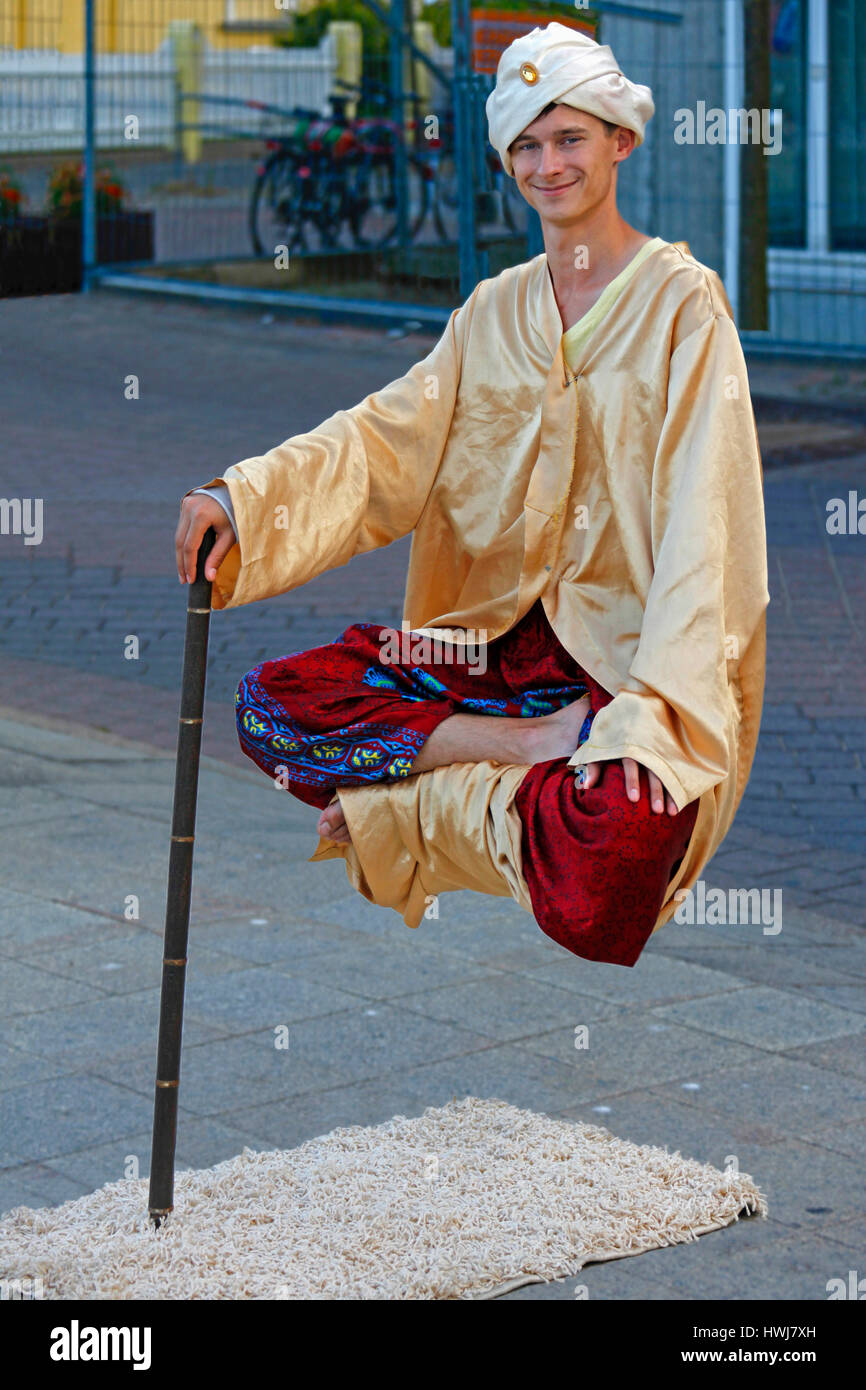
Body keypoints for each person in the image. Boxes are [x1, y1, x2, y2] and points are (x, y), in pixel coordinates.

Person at [174, 22, 769, 968]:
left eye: (569, 138)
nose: (548, 164)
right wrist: (245, 498)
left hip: (616, 673)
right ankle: (524, 747)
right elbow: (379, 446)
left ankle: (402, 808)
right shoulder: (494, 311)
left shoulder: (683, 307)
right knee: (272, 707)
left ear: (621, 139)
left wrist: (658, 718)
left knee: (615, 862)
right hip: (481, 657)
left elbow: (711, 528)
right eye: (525, 146)